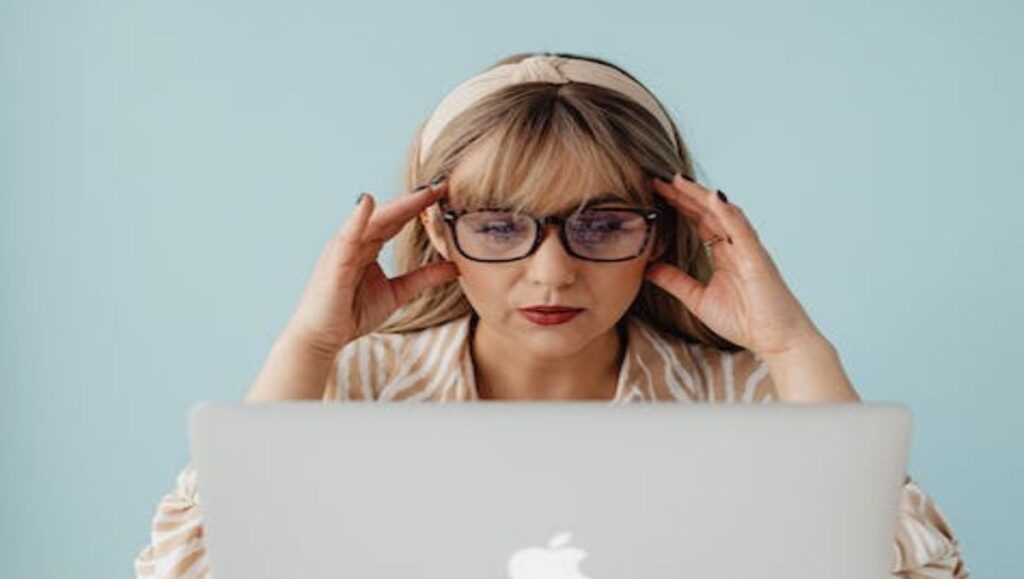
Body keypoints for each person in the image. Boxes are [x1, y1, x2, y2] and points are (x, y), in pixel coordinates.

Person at [133, 52, 969, 578]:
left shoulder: (754, 397)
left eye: (603, 223)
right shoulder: (347, 390)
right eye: (499, 224)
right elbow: (190, 572)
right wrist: (308, 344)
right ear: (438, 229)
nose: (552, 272)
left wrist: (793, 346)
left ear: (660, 231)